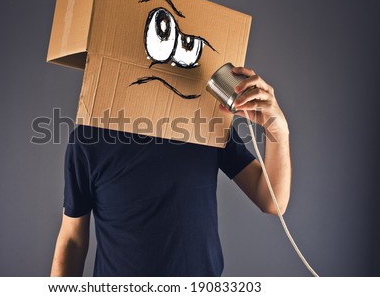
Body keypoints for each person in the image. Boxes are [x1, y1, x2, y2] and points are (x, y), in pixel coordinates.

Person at [50, 67, 291, 276]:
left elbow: (272, 200)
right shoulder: (90, 137)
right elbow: (73, 238)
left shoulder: (205, 122)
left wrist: (278, 129)